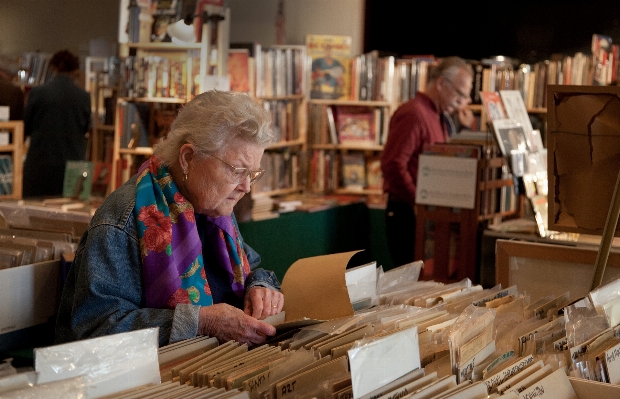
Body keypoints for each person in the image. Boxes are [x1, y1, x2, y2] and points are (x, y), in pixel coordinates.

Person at [55, 90, 284, 348]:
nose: (246, 186)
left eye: (252, 174)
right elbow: (94, 330)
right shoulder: (124, 220)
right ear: (188, 158)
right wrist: (200, 322)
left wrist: (261, 285)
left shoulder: (214, 209)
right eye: (237, 171)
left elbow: (248, 268)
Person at [380, 56, 474, 269]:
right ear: (441, 83)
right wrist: (418, 201)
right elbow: (393, 164)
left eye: (466, 97)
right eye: (460, 94)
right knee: (410, 285)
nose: (462, 102)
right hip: (408, 215)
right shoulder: (415, 113)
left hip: (423, 215)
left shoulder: (438, 115)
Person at [22, 49, 91, 198]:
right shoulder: (84, 97)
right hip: (74, 165)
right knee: (71, 217)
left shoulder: (37, 93)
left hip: (40, 164)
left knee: (35, 214)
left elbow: (26, 128)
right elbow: (86, 129)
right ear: (74, 70)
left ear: (52, 67)